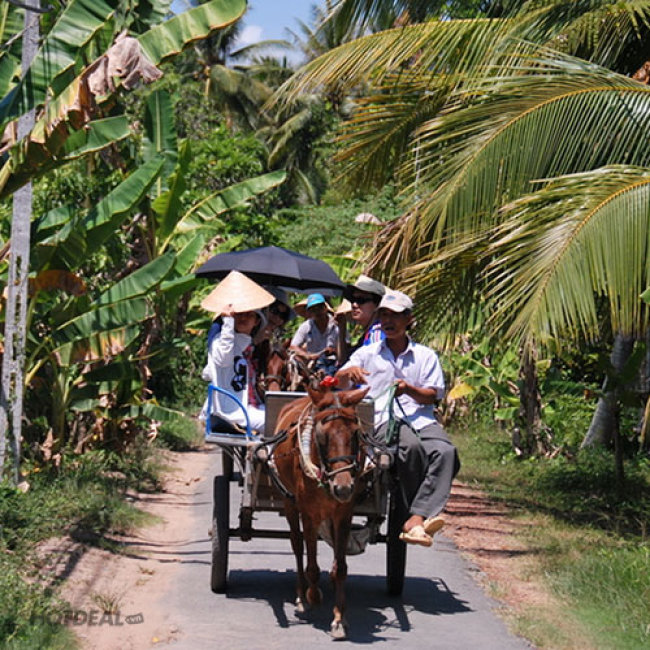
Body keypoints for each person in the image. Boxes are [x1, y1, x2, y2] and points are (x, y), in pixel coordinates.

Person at [335, 289, 460, 547]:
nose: (388, 321)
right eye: (384, 315)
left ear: (409, 319)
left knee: (446, 452)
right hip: (381, 420)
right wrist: (350, 373)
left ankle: (416, 517)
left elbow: (432, 395)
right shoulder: (367, 353)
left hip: (421, 419)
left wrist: (409, 389)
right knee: (410, 446)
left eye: (395, 315)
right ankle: (417, 516)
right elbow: (339, 380)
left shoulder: (425, 356)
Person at [200, 272, 274, 435]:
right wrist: (227, 321)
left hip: (250, 405)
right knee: (276, 422)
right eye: (239, 314)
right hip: (231, 410)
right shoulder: (221, 340)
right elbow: (223, 359)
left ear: (256, 321)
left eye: (249, 314)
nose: (244, 318)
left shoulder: (247, 344)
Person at [337, 274, 386, 363]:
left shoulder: (377, 335)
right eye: (353, 300)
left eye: (361, 300)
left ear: (377, 305)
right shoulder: (367, 334)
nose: (354, 305)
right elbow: (343, 361)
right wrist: (342, 328)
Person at [290, 293, 340, 376]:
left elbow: (346, 345)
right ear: (309, 312)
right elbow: (293, 346)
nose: (317, 312)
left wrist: (334, 350)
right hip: (313, 365)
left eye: (319, 308)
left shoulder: (336, 325)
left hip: (333, 363)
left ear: (325, 308)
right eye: (313, 309)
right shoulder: (306, 326)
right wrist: (307, 355)